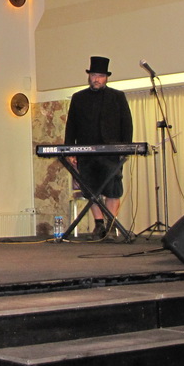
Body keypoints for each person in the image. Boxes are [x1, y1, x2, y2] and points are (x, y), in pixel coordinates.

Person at [64, 56, 133, 240]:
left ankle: (111, 225)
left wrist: (125, 148)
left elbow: (127, 124)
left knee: (112, 189)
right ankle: (99, 224)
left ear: (106, 78)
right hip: (86, 152)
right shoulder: (78, 98)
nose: (96, 79)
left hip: (111, 152)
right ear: (89, 76)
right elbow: (71, 125)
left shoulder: (117, 97)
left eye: (100, 76)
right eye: (93, 75)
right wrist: (70, 149)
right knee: (91, 190)